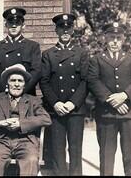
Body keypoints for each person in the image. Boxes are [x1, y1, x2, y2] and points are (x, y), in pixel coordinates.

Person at [87, 22, 131, 176]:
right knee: (106, 155)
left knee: (130, 155)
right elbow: (93, 81)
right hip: (106, 114)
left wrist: (124, 96)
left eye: (118, 38)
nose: (114, 42)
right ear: (105, 38)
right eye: (112, 37)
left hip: (129, 114)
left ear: (123, 40)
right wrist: (112, 100)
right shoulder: (97, 59)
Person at [0, 64, 52, 176]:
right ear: (7, 83)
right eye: (13, 80)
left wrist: (21, 124)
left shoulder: (33, 101)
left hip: (25, 141)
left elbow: (46, 119)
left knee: (31, 159)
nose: (16, 84)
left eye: (20, 81)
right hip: (0, 141)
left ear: (24, 84)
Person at [39, 13, 89, 176]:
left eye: (68, 28)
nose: (65, 31)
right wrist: (55, 103)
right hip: (56, 110)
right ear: (56, 30)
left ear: (73, 30)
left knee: (75, 149)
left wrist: (72, 103)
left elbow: (85, 81)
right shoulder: (48, 54)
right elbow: (44, 81)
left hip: (75, 110)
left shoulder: (82, 53)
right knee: (57, 149)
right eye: (62, 28)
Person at [0, 7, 41, 96]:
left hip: (25, 95)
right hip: (2, 95)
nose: (14, 26)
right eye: (11, 23)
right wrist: (6, 90)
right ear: (6, 25)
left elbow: (36, 72)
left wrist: (20, 90)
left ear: (23, 26)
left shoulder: (32, 46)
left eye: (17, 23)